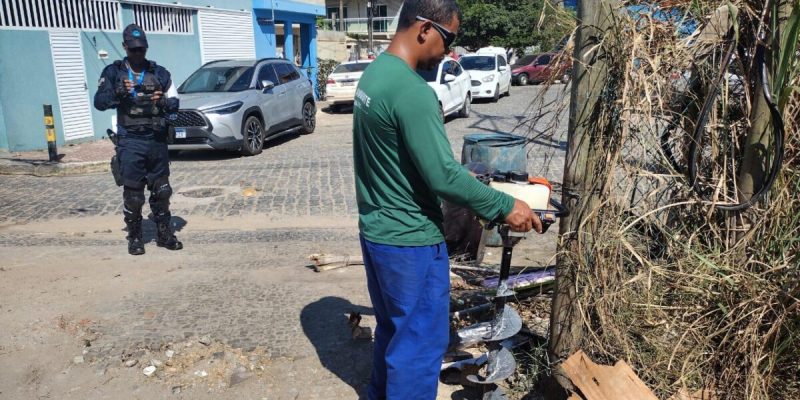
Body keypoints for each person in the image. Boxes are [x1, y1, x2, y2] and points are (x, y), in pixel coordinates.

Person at [351, 1, 543, 398]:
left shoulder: (375, 74)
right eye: (449, 39)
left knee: (393, 330)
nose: (450, 52)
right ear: (424, 29)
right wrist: (505, 206)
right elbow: (442, 175)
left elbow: (406, 159)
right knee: (420, 345)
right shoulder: (411, 91)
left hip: (377, 234)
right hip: (410, 240)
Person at [94, 24, 183, 256]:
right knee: (133, 195)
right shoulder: (113, 73)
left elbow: (175, 103)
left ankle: (164, 234)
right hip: (130, 140)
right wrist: (118, 93)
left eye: (141, 49)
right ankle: (135, 237)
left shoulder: (160, 73)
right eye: (133, 50)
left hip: (156, 139)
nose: (138, 54)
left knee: (162, 190)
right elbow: (99, 102)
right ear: (125, 47)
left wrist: (162, 100)